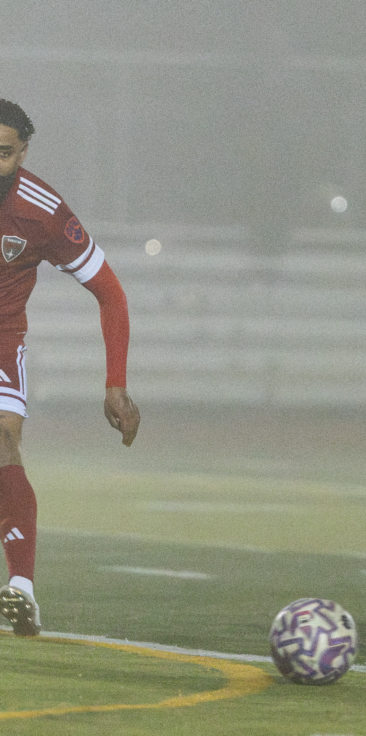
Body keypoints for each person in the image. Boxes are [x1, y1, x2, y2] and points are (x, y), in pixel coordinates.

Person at [0, 99, 139, 637]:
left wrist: (115, 384)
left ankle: (22, 590)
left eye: (4, 153)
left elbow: (110, 293)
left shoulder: (43, 211)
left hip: (1, 341)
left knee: (4, 444)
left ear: (23, 153)